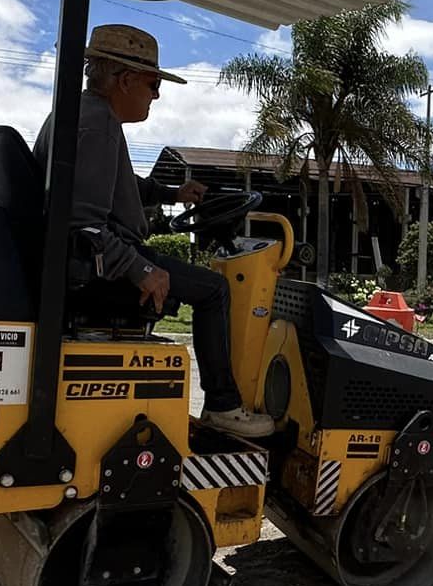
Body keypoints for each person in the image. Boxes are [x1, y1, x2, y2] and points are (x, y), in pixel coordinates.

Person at [34, 24, 273, 439]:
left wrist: (173, 193)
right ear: (125, 80)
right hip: (91, 271)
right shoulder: (98, 126)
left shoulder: (85, 115)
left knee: (200, 283)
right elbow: (83, 224)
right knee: (214, 289)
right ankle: (223, 405)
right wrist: (140, 270)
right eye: (152, 83)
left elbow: (120, 186)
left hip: (75, 263)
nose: (157, 94)